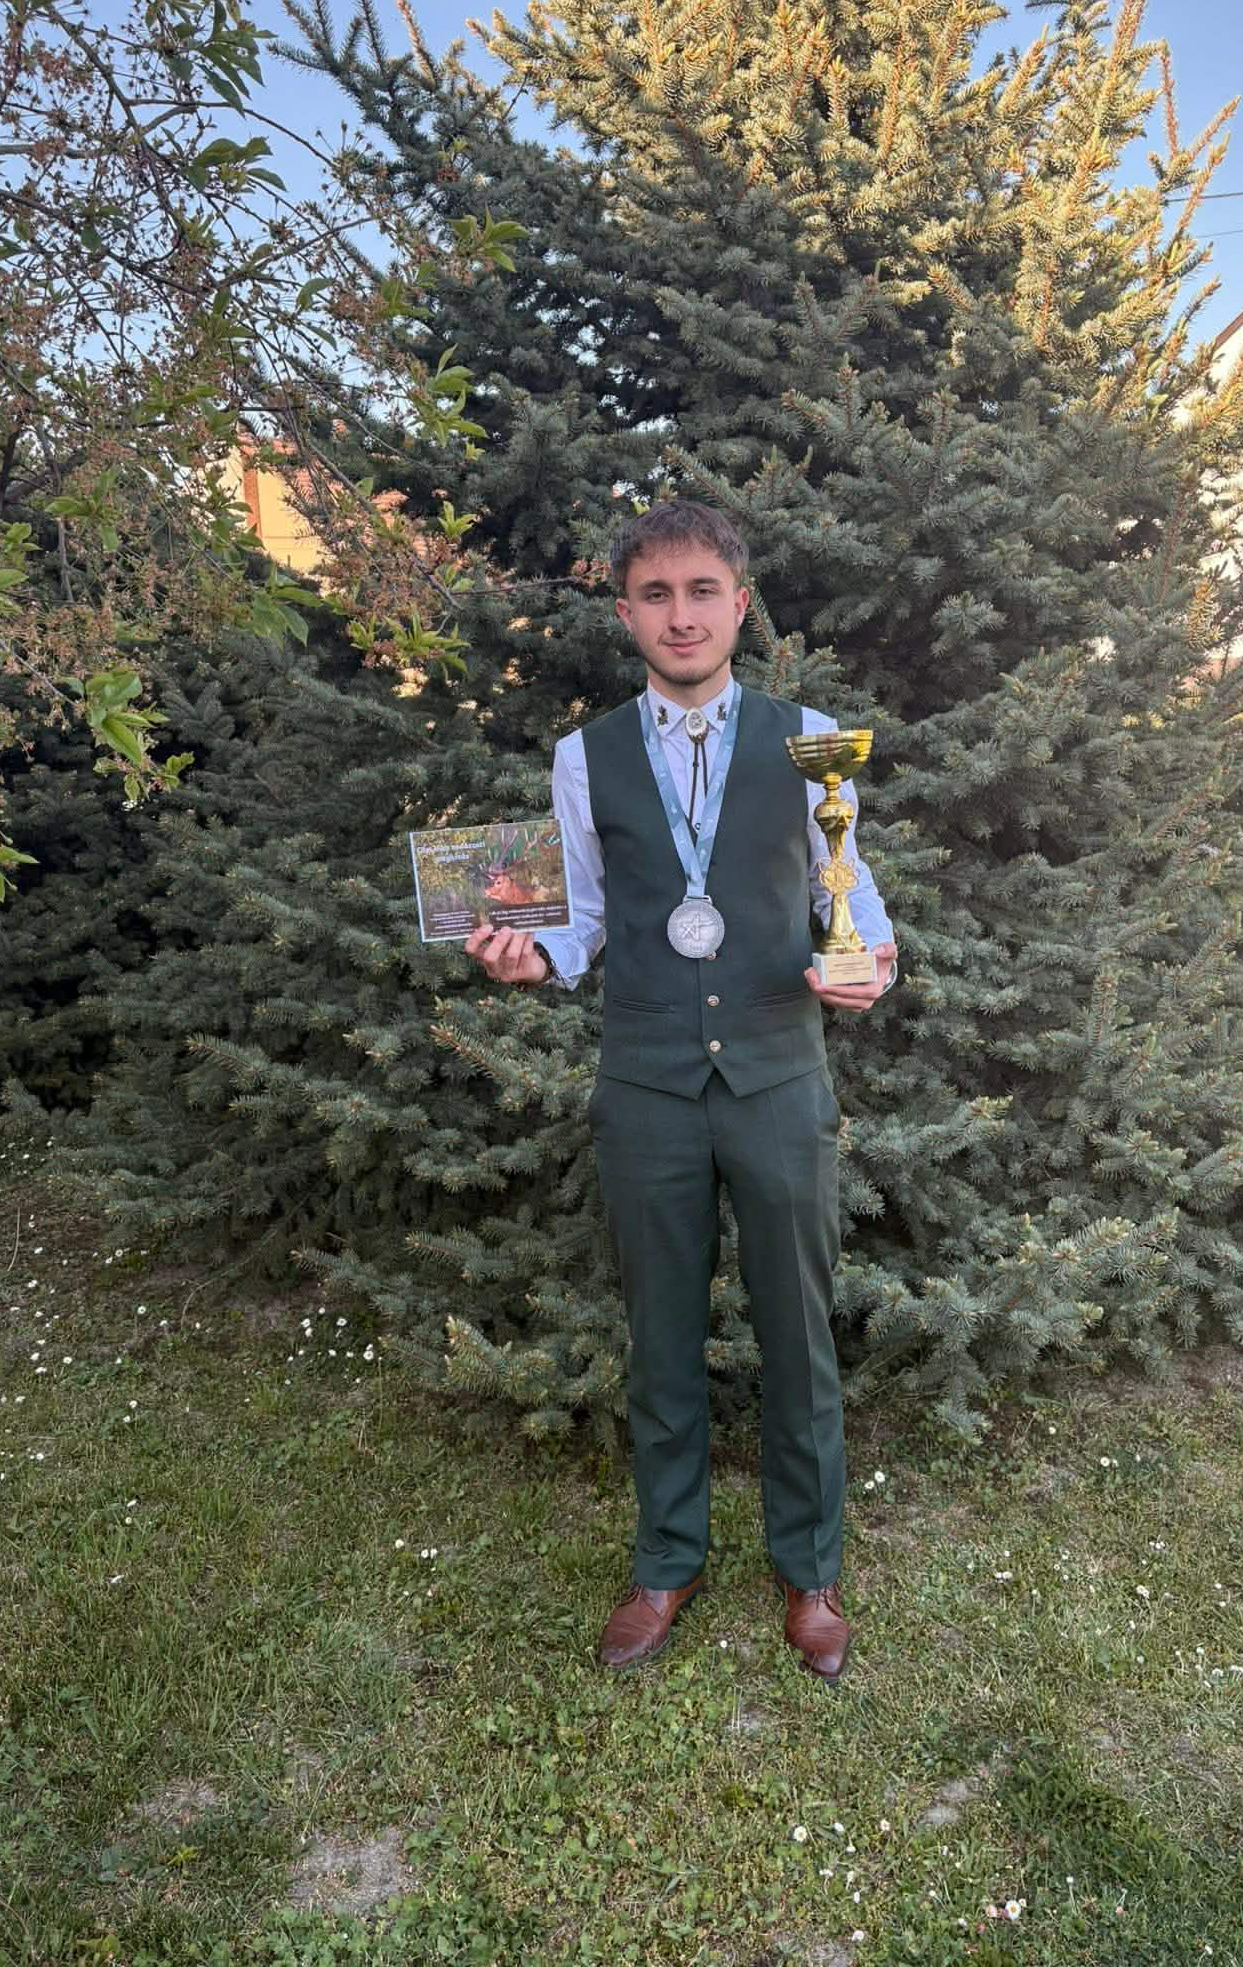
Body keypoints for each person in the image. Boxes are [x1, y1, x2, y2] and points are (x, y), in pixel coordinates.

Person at [466, 500, 896, 1684]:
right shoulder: (585, 756)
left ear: (739, 604)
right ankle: (666, 1559)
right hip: (647, 1080)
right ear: (626, 614)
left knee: (798, 1331)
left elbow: (851, 895)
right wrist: (533, 954)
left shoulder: (812, 741)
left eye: (703, 590)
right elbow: (583, 914)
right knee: (659, 1332)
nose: (682, 615)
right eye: (656, 594)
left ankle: (811, 1566)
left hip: (779, 1074)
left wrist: (871, 962)